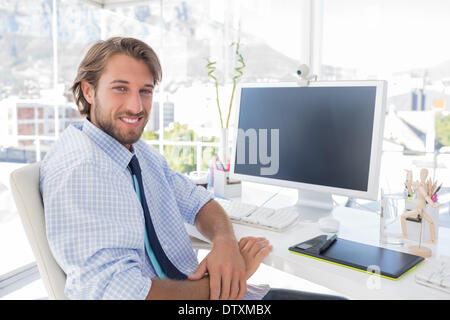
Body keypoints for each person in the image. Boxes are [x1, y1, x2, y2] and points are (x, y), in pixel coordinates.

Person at [40, 37, 345, 300]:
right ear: (89, 91)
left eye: (145, 91)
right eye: (121, 89)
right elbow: (118, 291)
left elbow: (195, 200)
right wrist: (224, 283)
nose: (137, 106)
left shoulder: (132, 152)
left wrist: (225, 244)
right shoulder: (84, 168)